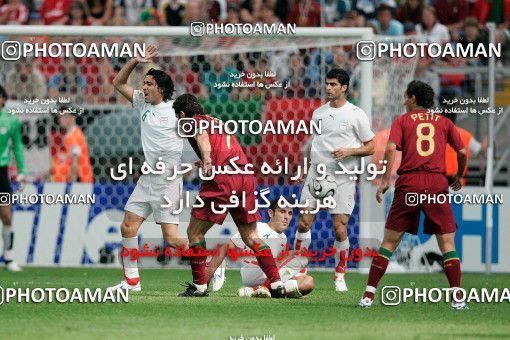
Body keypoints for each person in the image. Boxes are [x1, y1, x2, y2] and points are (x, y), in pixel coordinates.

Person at [358, 80, 469, 310]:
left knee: (389, 242)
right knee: (447, 243)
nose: (403, 100)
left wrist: (386, 179)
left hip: (409, 183)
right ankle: (458, 300)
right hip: (437, 184)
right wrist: (457, 175)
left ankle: (368, 296)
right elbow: (462, 151)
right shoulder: (445, 122)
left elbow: (390, 148)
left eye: (405, 96)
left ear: (414, 99)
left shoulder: (402, 120)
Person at [173, 93, 286, 298]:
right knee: (251, 236)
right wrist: (207, 158)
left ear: (182, 114)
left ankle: (199, 287)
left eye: (178, 119)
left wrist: (207, 160)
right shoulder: (216, 121)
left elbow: (202, 137)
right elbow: (221, 146)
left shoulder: (194, 122)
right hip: (244, 175)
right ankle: (277, 284)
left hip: (223, 177)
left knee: (194, 233)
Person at [107, 45, 186, 292]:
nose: (144, 87)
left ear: (161, 89)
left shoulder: (176, 112)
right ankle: (132, 282)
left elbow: (198, 134)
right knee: (128, 226)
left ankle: (213, 261)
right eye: (144, 83)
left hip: (168, 181)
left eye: (149, 83)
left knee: (172, 240)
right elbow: (118, 83)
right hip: (147, 178)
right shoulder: (142, 103)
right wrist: (134, 60)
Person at [295, 68, 375, 292]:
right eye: (327, 84)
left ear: (344, 87)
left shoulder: (356, 114)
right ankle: (300, 268)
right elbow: (314, 144)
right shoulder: (318, 113)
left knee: (339, 228)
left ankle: (340, 274)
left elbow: (371, 146)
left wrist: (349, 151)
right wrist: (303, 168)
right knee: (303, 222)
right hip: (317, 174)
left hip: (342, 176)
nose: (328, 88)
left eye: (333, 84)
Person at [206, 198, 314, 298]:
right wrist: (206, 279)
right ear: (271, 213)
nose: (286, 217)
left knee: (308, 282)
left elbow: (281, 263)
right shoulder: (258, 228)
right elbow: (226, 247)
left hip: (270, 277)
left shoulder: (283, 238)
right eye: (282, 211)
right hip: (255, 272)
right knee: (303, 255)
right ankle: (266, 288)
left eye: (290, 213)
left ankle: (255, 291)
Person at [0, 85, 26, 272]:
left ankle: (8, 258)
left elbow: (17, 146)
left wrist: (21, 170)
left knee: (6, 214)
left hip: (1, 172)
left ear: (3, 99)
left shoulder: (11, 121)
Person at [50, 107, 93, 183]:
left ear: (71, 117)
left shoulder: (75, 135)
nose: (60, 120)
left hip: (80, 179)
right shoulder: (70, 134)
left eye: (62, 117)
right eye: (60, 117)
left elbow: (75, 159)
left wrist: (72, 180)